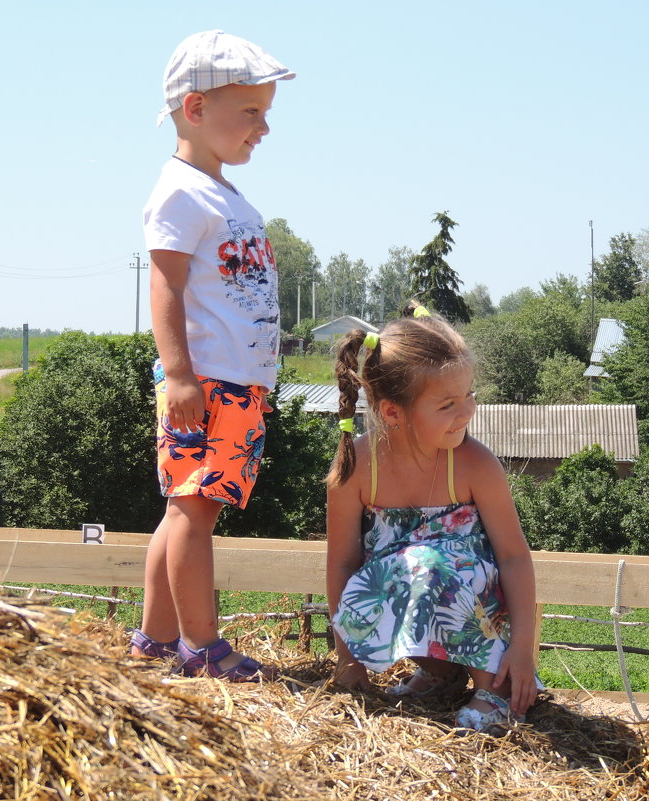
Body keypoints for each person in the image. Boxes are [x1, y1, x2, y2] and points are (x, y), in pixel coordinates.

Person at [129, 30, 294, 681]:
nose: (264, 128)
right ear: (195, 109)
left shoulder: (227, 197)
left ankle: (156, 640)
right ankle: (202, 646)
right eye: (251, 111)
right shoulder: (179, 192)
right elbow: (164, 281)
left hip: (235, 386)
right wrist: (178, 375)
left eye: (266, 113)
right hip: (204, 384)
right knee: (193, 506)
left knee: (189, 508)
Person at [325, 302, 543, 731]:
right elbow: (343, 564)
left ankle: (493, 686)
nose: (467, 412)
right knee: (387, 572)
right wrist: (347, 659)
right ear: (392, 412)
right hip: (421, 591)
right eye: (447, 404)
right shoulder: (356, 467)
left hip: (482, 605)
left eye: (469, 396)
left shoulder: (473, 463)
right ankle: (441, 674)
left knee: (428, 563)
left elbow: (515, 558)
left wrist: (523, 650)